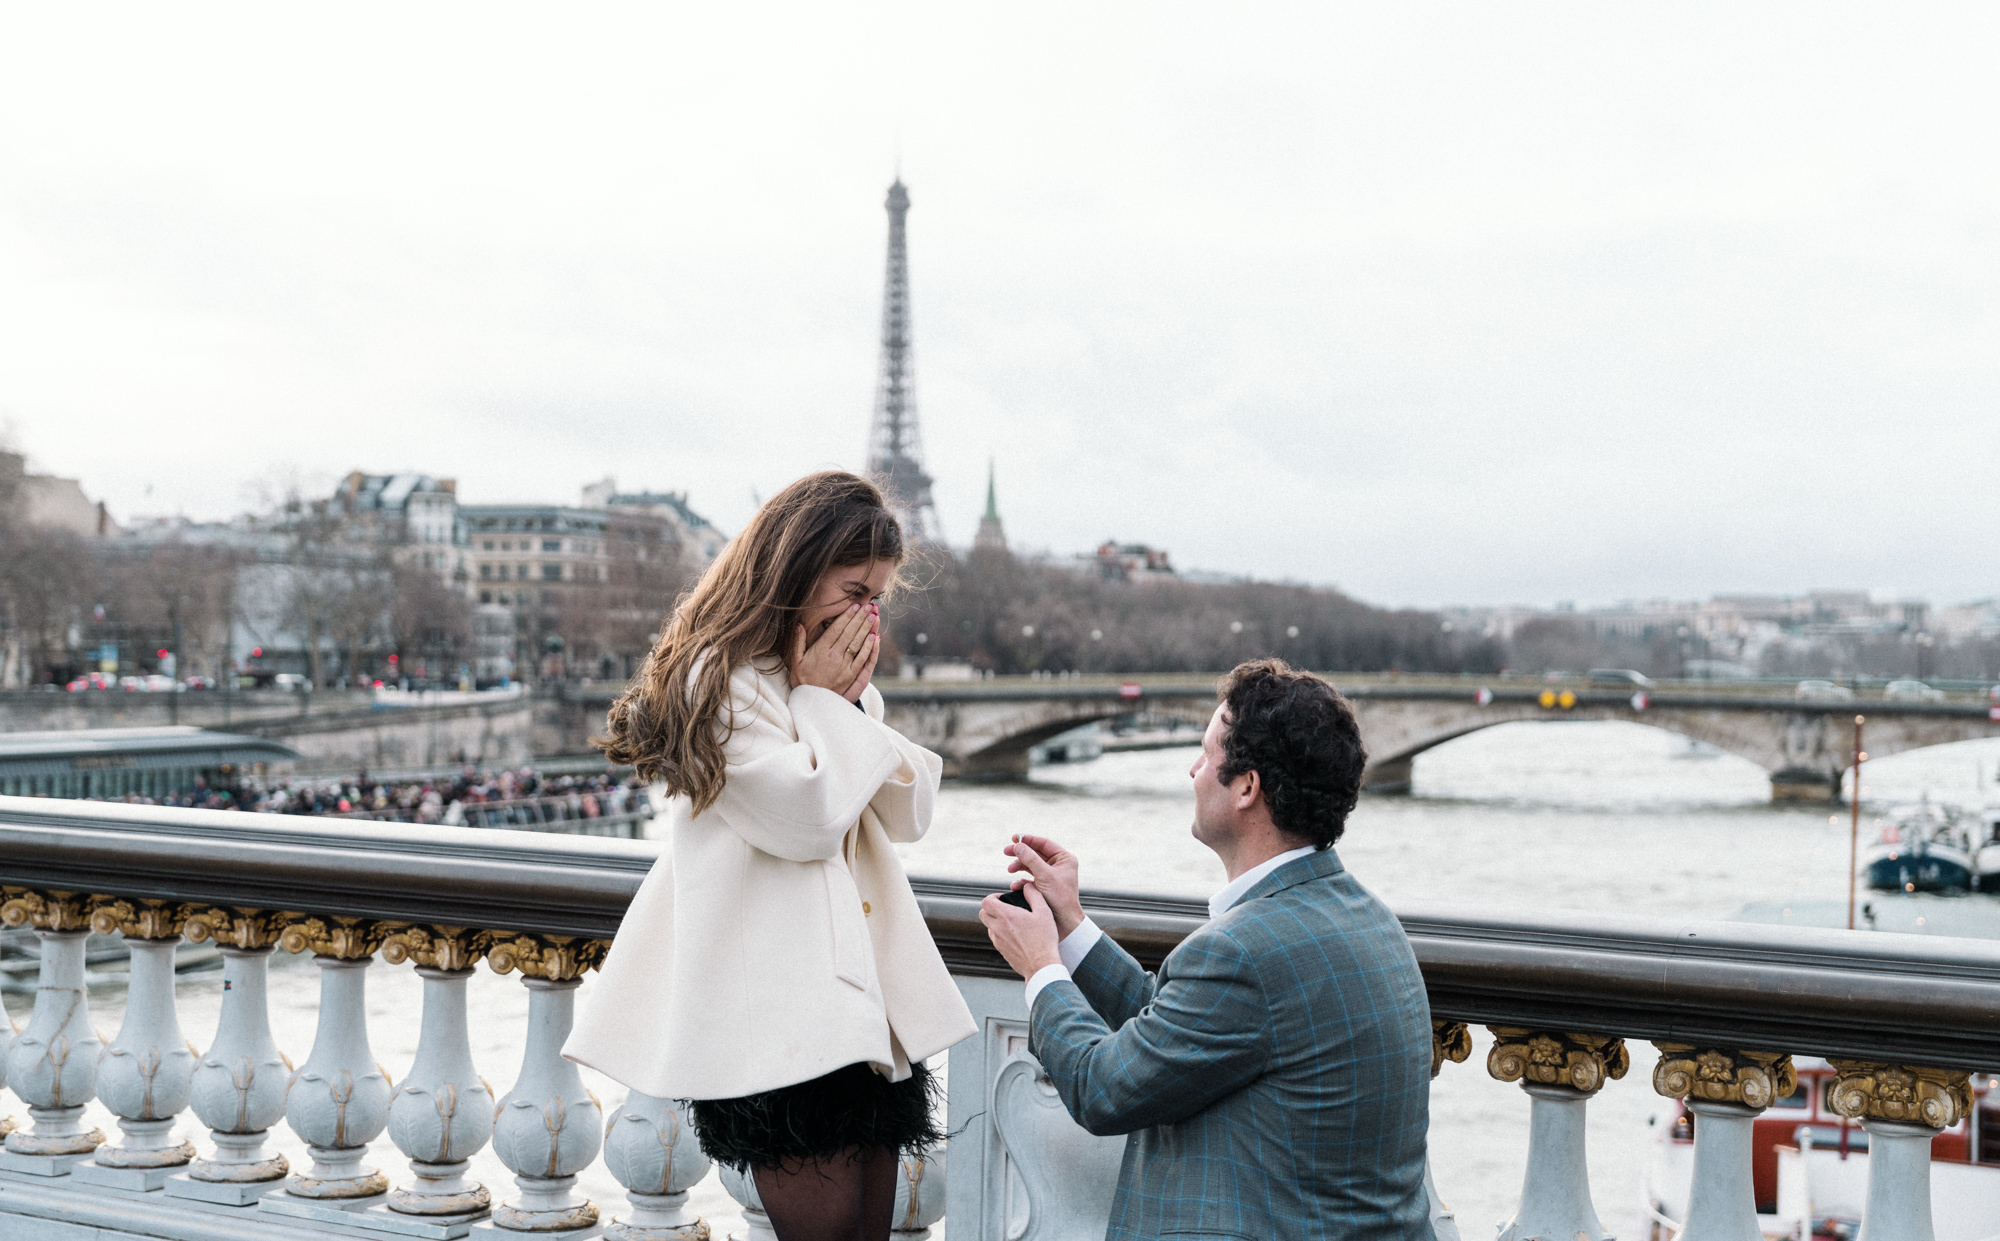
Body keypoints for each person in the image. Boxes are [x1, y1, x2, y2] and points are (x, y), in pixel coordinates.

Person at [565, 471, 976, 1241]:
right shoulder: (715, 681)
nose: (867, 614)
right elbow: (807, 819)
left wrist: (844, 702)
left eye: (879, 596)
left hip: (860, 1016)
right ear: (797, 566)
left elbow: (906, 810)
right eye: (855, 588)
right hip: (778, 1023)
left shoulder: (819, 678)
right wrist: (825, 703)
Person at [980, 658, 1435, 1241]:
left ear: (1247, 786)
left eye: (1205, 753)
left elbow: (1101, 1089)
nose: (1192, 770)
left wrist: (1041, 968)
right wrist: (1070, 926)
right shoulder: (1369, 918)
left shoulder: (1244, 952)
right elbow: (1181, 1029)